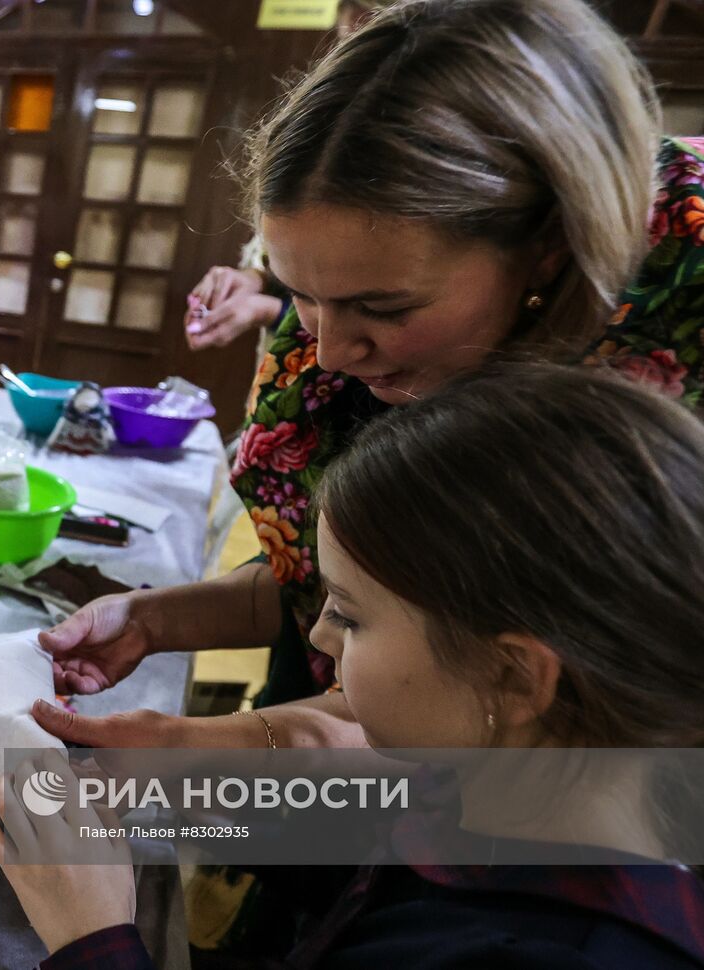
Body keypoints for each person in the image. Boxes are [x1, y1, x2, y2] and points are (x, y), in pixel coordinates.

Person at [36, 0, 704, 753]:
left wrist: (216, 748)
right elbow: (346, 592)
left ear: (548, 247)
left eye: (380, 307)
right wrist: (157, 620)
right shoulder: (351, 302)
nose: (328, 353)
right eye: (300, 296)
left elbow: (545, 703)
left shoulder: (681, 313)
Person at [0, 364, 704, 968]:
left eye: (352, 616)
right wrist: (172, 772)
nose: (319, 636)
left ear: (515, 677)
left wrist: (92, 935)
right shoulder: (484, 793)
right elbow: (353, 825)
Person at [184, 0, 395, 352]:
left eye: (377, 40)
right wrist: (257, 279)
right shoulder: (329, 127)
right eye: (347, 43)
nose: (356, 63)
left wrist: (272, 310)